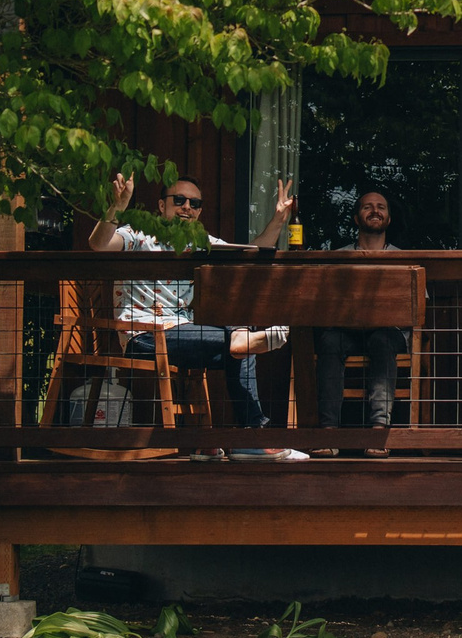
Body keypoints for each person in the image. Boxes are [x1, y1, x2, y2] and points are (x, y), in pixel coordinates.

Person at [89, 170, 307, 460]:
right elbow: (98, 244)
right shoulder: (137, 235)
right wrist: (117, 205)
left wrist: (280, 217)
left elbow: (251, 251)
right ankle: (253, 438)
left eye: (194, 203)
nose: (186, 207)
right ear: (161, 205)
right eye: (179, 200)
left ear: (200, 211)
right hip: (143, 337)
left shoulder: (201, 242)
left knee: (239, 348)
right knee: (240, 344)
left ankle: (245, 437)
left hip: (184, 333)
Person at [312, 187, 411, 455]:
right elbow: (324, 302)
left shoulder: (403, 260)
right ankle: (328, 435)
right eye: (367, 207)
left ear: (389, 219)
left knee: (382, 340)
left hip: (387, 332)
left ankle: (379, 432)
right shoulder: (339, 257)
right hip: (347, 331)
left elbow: (416, 304)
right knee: (329, 340)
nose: (375, 211)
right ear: (357, 218)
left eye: (381, 206)